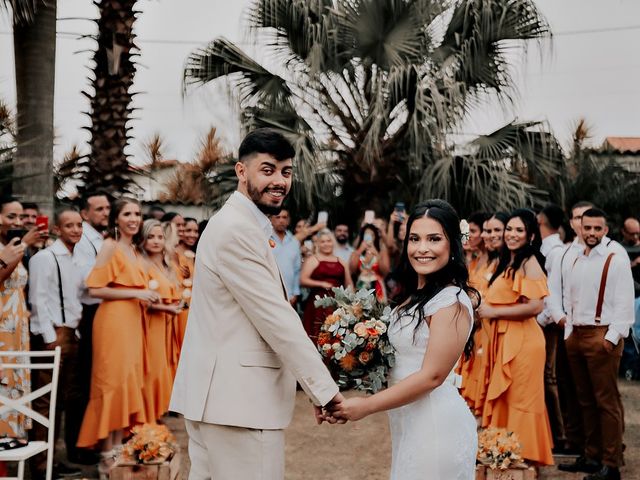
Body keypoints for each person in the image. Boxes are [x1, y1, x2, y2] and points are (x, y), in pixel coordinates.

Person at [169, 128, 343, 480]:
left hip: (218, 400)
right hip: (238, 405)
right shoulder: (236, 230)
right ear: (241, 171)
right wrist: (324, 390)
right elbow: (276, 318)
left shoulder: (241, 226)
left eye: (286, 171)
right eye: (267, 170)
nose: (279, 180)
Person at [329, 200, 477, 480]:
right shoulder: (411, 298)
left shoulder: (451, 302)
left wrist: (365, 406)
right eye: (414, 239)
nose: (422, 248)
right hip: (408, 421)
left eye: (434, 239)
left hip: (435, 423)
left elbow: (432, 376)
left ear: (453, 244)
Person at [77, 198, 159, 478]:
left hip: (133, 322)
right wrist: (135, 293)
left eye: (137, 213)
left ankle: (115, 447)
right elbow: (94, 287)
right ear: (116, 219)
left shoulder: (134, 250)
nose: (134, 219)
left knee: (126, 382)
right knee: (111, 382)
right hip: (112, 322)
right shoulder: (110, 246)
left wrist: (146, 296)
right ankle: (105, 455)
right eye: (127, 214)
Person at [555, 208, 634, 480]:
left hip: (602, 335)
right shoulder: (575, 256)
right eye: (586, 228)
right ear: (580, 227)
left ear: (605, 229)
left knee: (606, 401)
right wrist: (568, 331)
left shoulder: (616, 257)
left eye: (596, 229)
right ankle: (591, 456)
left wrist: (611, 338)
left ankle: (611, 464)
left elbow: (624, 302)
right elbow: (567, 295)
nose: (591, 233)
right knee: (584, 400)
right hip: (576, 334)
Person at [477, 208, 554, 466]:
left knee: (521, 398)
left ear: (531, 235)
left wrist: (493, 312)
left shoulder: (529, 261)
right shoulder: (507, 261)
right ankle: (506, 456)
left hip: (523, 342)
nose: (511, 234)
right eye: (509, 228)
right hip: (504, 338)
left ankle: (523, 457)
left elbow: (535, 306)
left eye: (519, 230)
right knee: (507, 399)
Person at [28, 207, 85, 479]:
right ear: (56, 229)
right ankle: (40, 466)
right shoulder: (45, 258)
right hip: (53, 335)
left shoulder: (74, 259)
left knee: (61, 400)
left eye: (79, 225)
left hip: (71, 333)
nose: (76, 230)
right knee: (44, 401)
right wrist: (50, 338)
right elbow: (38, 299)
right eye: (69, 225)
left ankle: (52, 460)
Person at [73, 191, 110, 464]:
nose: (105, 213)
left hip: (100, 311)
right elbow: (88, 280)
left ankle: (90, 440)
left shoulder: (100, 238)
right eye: (99, 209)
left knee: (93, 378)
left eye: (107, 208)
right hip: (87, 311)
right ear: (85, 213)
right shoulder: (85, 240)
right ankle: (78, 445)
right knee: (83, 380)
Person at [0, 197, 41, 438]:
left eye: (19, 216)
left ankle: (11, 444)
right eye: (11, 217)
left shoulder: (11, 246)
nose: (17, 222)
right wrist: (20, 247)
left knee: (15, 392)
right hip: (2, 332)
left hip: (18, 331)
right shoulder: (8, 249)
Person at [536, 203, 573, 453]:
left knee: (549, 377)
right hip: (548, 319)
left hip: (548, 323)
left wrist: (542, 320)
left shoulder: (553, 251)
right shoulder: (553, 250)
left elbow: (551, 292)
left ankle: (560, 436)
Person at [139, 219, 182, 421]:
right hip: (151, 323)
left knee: (164, 367)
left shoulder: (167, 265)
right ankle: (147, 417)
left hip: (168, 323)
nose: (156, 241)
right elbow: (141, 298)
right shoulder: (141, 264)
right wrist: (165, 307)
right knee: (153, 370)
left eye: (160, 237)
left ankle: (156, 414)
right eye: (151, 237)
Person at [300, 229, 353, 340]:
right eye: (323, 242)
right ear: (318, 244)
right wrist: (321, 284)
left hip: (338, 304)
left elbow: (349, 283)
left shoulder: (341, 261)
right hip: (318, 304)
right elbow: (302, 280)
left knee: (336, 337)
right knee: (316, 333)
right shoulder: (313, 260)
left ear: (333, 242)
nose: (326, 244)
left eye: (329, 241)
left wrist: (351, 303)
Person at [350, 223, 390, 302]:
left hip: (377, 287)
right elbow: (352, 270)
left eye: (372, 235)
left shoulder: (381, 252)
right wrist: (360, 250)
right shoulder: (356, 252)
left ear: (376, 237)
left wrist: (376, 254)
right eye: (367, 235)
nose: (370, 237)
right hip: (360, 286)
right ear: (362, 236)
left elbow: (385, 272)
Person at [271, 209, 302, 307]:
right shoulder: (264, 238)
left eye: (284, 217)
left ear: (288, 221)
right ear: (271, 219)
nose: (281, 220)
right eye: (277, 217)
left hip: (289, 296)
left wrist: (295, 293)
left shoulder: (294, 242)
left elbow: (297, 269)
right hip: (269, 293)